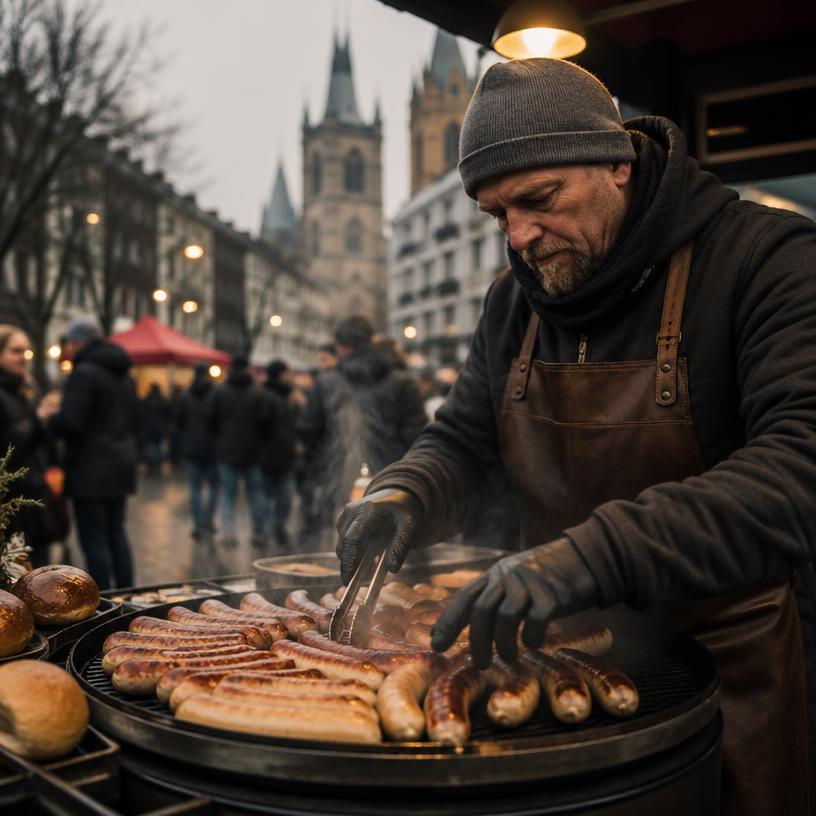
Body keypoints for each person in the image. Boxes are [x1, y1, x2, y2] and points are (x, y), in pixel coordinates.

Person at [336, 58, 816, 815]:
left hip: (728, 682)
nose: (519, 237)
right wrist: (406, 491)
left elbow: (798, 470)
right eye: (497, 216)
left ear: (616, 163)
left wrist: (592, 554)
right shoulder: (512, 304)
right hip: (543, 670)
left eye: (539, 199)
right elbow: (463, 439)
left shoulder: (764, 260)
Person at [298, 315, 427, 545]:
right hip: (390, 481)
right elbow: (417, 437)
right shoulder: (403, 383)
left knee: (339, 550)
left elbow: (308, 431)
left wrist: (320, 467)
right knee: (390, 552)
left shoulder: (326, 383)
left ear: (342, 347)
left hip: (337, 485)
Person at [53, 316, 139, 590]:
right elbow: (137, 419)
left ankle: (102, 599)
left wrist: (52, 417)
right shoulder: (123, 374)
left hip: (90, 468)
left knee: (94, 538)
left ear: (78, 342)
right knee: (117, 532)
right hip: (120, 463)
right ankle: (127, 593)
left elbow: (72, 423)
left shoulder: (85, 372)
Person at [0, 325, 66, 566]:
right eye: (15, 351)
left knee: (38, 565)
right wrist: (37, 420)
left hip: (34, 492)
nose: (23, 357)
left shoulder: (27, 388)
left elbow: (42, 442)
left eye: (26, 351)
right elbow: (8, 445)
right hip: (10, 499)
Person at [207, 355, 267, 548]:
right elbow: (266, 422)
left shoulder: (220, 392)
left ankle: (228, 533)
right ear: (247, 369)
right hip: (253, 451)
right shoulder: (258, 393)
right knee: (255, 494)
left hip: (227, 451)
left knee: (227, 495)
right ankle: (258, 532)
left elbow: (211, 419)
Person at [175, 363, 218, 539]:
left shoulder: (185, 395)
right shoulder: (215, 394)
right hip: (212, 448)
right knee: (214, 487)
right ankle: (208, 521)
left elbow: (178, 421)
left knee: (195, 488)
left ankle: (198, 524)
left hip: (191, 447)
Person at [259, 360, 297, 552]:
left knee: (283, 499)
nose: (291, 376)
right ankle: (268, 532)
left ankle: (277, 529)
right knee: (270, 498)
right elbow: (262, 426)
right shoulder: (269, 397)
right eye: (288, 373)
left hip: (283, 456)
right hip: (270, 456)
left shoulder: (286, 396)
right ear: (280, 374)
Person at [139, 383, 170, 474]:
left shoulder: (147, 400)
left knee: (150, 448)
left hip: (149, 428)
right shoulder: (163, 400)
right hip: (160, 428)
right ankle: (157, 466)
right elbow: (168, 414)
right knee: (159, 448)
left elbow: (142, 413)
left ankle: (151, 466)